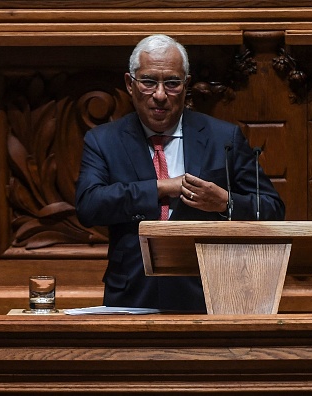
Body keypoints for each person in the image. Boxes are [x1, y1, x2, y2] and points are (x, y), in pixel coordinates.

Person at [75, 34, 285, 312]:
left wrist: (225, 203)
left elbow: (271, 208)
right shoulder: (104, 140)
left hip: (210, 294)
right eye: (149, 82)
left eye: (172, 83)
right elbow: (89, 206)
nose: (160, 95)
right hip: (132, 295)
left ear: (186, 86)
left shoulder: (223, 137)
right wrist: (162, 187)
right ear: (130, 84)